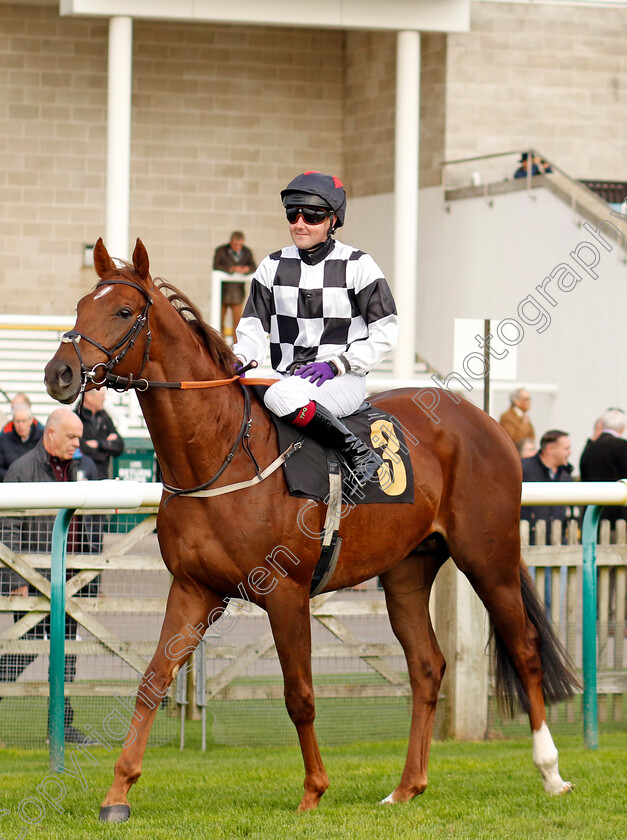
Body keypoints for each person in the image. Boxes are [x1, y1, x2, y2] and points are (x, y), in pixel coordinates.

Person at [232, 171, 398, 489]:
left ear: (332, 220)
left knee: (281, 394)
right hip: (288, 377)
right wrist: (241, 356)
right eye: (292, 214)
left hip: (340, 381)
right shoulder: (271, 266)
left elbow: (386, 333)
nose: (300, 222)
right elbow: (253, 328)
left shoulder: (359, 265)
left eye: (311, 215)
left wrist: (338, 364)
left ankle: (358, 452)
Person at [0, 408, 100, 743]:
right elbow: (8, 529)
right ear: (51, 434)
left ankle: (62, 726)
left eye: (79, 437)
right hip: (32, 581)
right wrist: (14, 580)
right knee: (19, 652)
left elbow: (92, 530)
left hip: (72, 580)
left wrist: (93, 580)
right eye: (71, 437)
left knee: (67, 655)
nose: (77, 443)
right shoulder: (22, 470)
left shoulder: (83, 469)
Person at [580, 407, 627, 525]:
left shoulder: (590, 447)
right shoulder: (622, 446)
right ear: (622, 427)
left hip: (592, 513)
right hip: (618, 515)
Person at [213, 231, 256, 336]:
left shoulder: (246, 252)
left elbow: (254, 266)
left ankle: (236, 346)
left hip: (237, 293)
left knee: (237, 322)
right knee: (219, 320)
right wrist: (231, 269)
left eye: (240, 244)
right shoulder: (221, 251)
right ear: (231, 242)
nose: (238, 247)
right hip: (222, 292)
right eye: (236, 244)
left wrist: (246, 269)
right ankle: (219, 344)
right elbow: (216, 266)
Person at [76, 387, 125, 480]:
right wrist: (106, 450)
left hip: (103, 478)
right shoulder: (76, 418)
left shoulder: (104, 418)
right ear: (89, 397)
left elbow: (119, 446)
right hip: (84, 480)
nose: (104, 399)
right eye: (102, 396)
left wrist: (98, 444)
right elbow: (82, 449)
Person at [0, 400, 44, 479]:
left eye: (23, 421)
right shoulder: (3, 440)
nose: (20, 425)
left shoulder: (42, 438)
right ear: (13, 421)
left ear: (30, 420)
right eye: (17, 421)